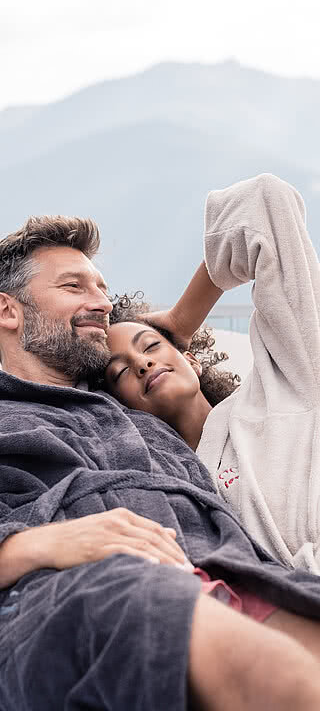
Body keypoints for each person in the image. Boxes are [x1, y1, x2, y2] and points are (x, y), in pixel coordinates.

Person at [1, 212, 320, 711]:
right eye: (74, 286)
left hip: (234, 575)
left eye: (103, 289)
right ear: (7, 311)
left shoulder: (144, 420)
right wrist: (37, 542)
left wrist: (174, 331)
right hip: (104, 595)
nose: (101, 303)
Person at [105, 173, 320, 575]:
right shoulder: (166, 484)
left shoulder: (289, 383)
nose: (142, 363)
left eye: (151, 346)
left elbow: (264, 203)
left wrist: (181, 319)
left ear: (193, 359)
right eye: (120, 373)